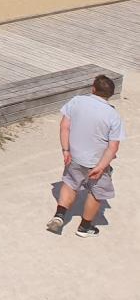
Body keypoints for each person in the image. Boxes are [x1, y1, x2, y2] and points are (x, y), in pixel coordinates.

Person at [46, 75, 125, 237]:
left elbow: (64, 127)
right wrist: (101, 167)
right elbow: (113, 146)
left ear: (93, 89)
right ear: (110, 94)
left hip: (74, 156)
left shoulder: (76, 101)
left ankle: (59, 216)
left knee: (69, 184)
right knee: (96, 193)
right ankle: (85, 227)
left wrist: (66, 150)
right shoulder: (113, 115)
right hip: (97, 162)